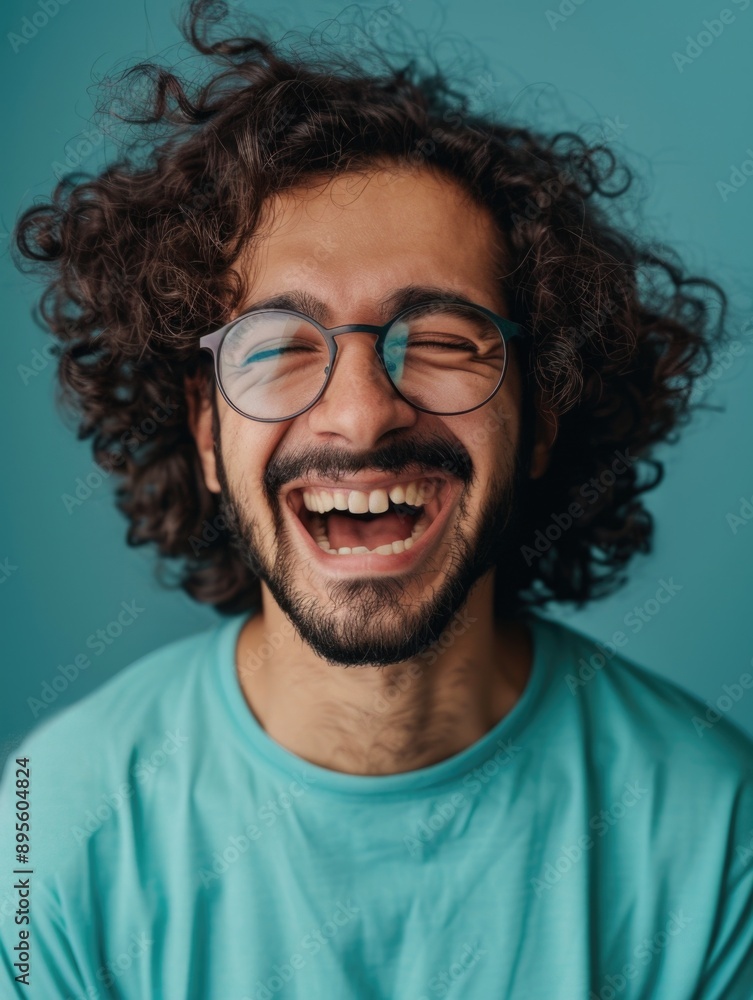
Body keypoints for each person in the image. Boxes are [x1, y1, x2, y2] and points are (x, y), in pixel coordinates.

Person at [2, 1, 752, 996]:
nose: (359, 418)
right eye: (277, 347)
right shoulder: (46, 825)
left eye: (442, 339)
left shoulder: (717, 836)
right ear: (205, 431)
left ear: (541, 419)